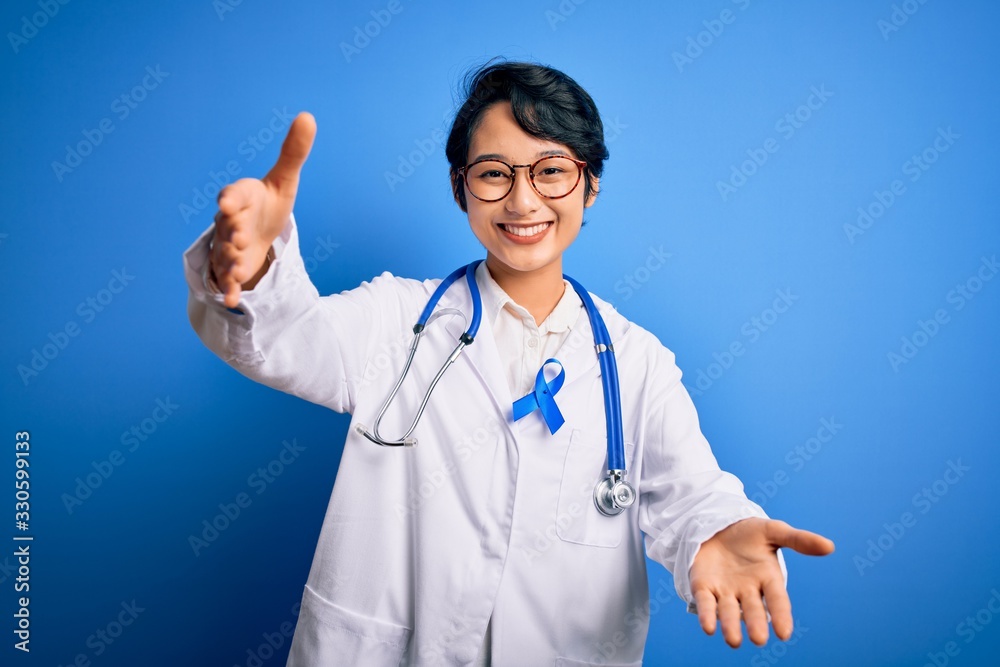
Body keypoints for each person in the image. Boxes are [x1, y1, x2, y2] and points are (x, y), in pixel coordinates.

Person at [183, 61, 834, 666]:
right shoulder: (397, 320)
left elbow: (691, 491)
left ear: (591, 185)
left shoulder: (635, 363)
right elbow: (287, 339)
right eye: (495, 173)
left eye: (551, 170)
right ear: (460, 188)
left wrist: (721, 529)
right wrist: (257, 264)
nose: (523, 201)